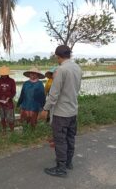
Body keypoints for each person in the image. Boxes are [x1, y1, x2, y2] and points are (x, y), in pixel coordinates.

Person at [41, 45, 82, 177]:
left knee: (60, 140)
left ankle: (61, 168)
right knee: (70, 138)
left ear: (58, 56)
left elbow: (54, 94)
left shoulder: (61, 70)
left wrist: (45, 109)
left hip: (61, 113)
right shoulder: (77, 68)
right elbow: (76, 89)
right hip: (73, 111)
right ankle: (68, 162)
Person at [0, 66, 16, 134]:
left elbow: (13, 92)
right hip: (0, 103)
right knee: (2, 117)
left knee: (10, 118)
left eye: (5, 74)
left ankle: (12, 131)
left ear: (7, 74)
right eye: (2, 74)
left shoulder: (12, 81)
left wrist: (9, 98)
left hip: (8, 103)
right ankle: (4, 130)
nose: (3, 75)